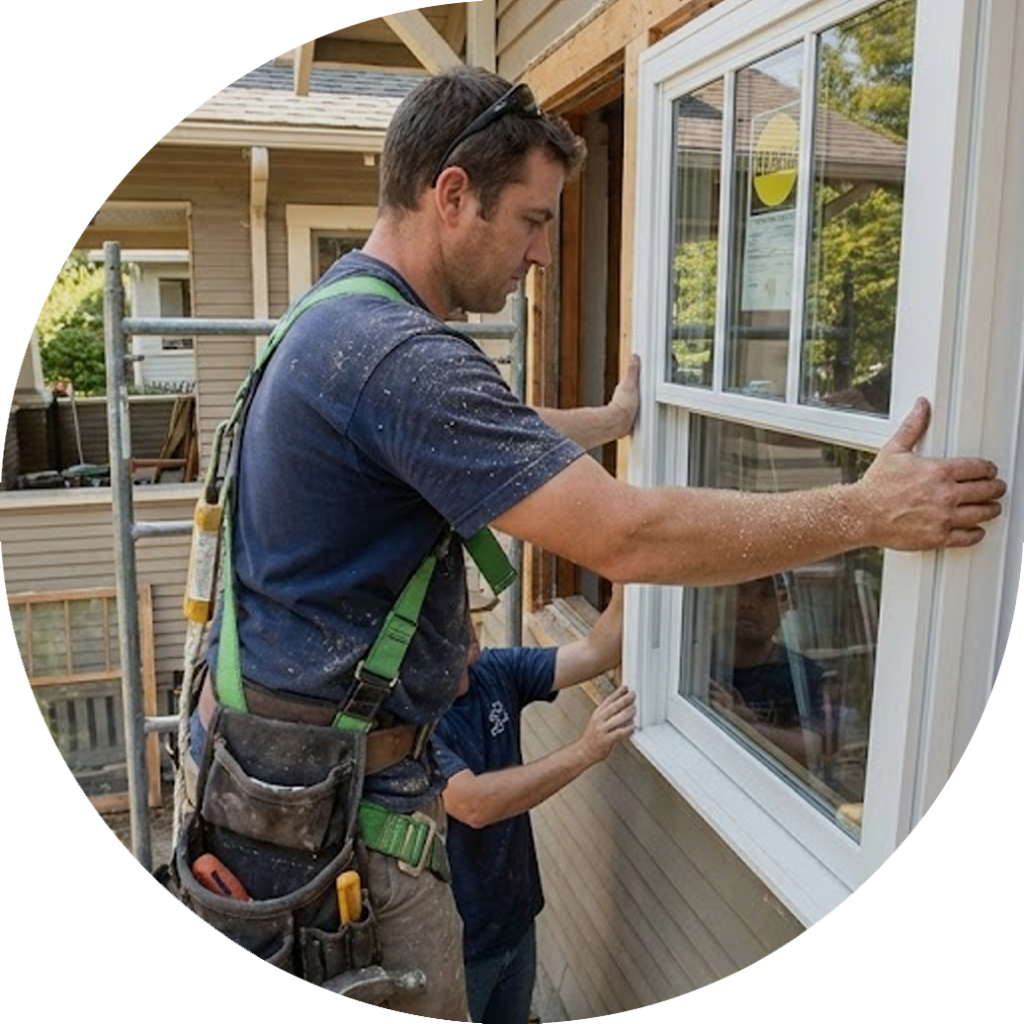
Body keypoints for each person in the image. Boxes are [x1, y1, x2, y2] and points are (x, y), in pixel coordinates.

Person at [178, 65, 1005, 1020]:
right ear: (453, 193)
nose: (540, 255)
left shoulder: (333, 322)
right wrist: (865, 513)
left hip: (269, 792)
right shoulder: (398, 357)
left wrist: (612, 417)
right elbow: (628, 534)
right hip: (335, 829)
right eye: (532, 220)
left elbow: (491, 435)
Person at [433, 587, 633, 1024]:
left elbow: (598, 651)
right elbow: (472, 803)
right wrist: (584, 751)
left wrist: (630, 577)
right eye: (448, 617)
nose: (465, 624)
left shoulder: (495, 672)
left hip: (515, 919)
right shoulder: (414, 718)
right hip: (458, 941)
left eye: (463, 610)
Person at [709, 575, 827, 768]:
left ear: (785, 604)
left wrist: (742, 724)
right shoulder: (691, 659)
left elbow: (813, 748)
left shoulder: (803, 675)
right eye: (741, 590)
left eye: (765, 595)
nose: (749, 604)